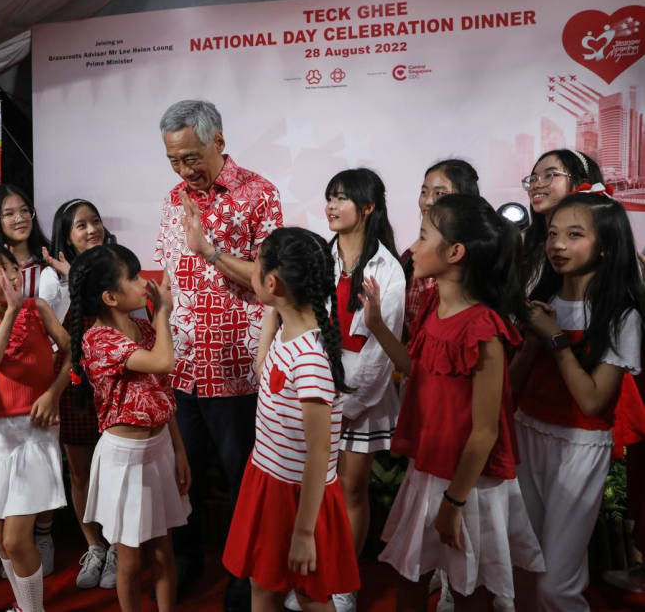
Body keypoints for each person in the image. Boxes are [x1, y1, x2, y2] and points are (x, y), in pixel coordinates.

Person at [363, 194, 544, 609]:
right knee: (410, 573)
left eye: (424, 235)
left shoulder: (482, 328)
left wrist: (454, 502)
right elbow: (419, 370)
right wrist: (376, 325)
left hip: (470, 482)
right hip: (430, 466)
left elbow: (485, 430)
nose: (413, 246)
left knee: (470, 586)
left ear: (455, 252)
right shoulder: (431, 303)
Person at [155, 99, 283, 608]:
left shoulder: (259, 194)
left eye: (191, 157)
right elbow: (167, 273)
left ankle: (240, 575)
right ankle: (185, 560)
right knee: (180, 476)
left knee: (239, 480)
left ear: (219, 143)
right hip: (180, 366)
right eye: (173, 160)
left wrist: (209, 250)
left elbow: (269, 282)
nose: (184, 170)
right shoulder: (171, 198)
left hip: (236, 371)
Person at [509, 188, 645, 611]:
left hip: (579, 446)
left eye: (574, 235)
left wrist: (553, 339)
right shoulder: (543, 300)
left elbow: (592, 401)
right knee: (522, 569)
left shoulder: (622, 316)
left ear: (605, 245)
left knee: (556, 586)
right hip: (526, 434)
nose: (558, 245)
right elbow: (512, 389)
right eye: (552, 234)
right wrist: (532, 342)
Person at [222, 227, 360, 612]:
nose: (250, 271)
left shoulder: (311, 360)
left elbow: (320, 455)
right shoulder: (288, 337)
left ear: (272, 282)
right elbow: (263, 364)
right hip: (268, 479)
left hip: (299, 496)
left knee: (311, 595)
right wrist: (273, 308)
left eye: (256, 266)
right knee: (262, 583)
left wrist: (303, 531)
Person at [69, 244, 191, 611]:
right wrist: (163, 314)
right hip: (125, 460)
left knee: (164, 552)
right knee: (130, 560)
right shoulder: (99, 340)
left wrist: (180, 451)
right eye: (134, 277)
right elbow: (164, 362)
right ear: (110, 297)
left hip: (159, 451)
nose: (144, 283)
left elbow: (162, 392)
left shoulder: (142, 327)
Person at [0, 245, 69, 612]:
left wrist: (53, 393)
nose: (11, 274)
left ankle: (33, 610)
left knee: (19, 540)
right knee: (2, 540)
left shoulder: (37, 309)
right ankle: (24, 607)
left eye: (12, 267)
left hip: (35, 432)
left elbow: (72, 352)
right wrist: (9, 314)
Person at [318, 169, 404, 612]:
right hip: (316, 392)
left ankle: (344, 583)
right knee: (317, 490)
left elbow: (379, 352)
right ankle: (318, 576)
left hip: (360, 402)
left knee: (351, 490)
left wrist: (347, 405)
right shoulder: (320, 256)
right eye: (329, 197)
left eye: (342, 199)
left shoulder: (388, 269)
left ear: (368, 207)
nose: (331, 206)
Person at [0, 184, 56, 573]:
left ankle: (44, 533)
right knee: (1, 523)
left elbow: (69, 339)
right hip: (2, 413)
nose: (21, 217)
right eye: (9, 213)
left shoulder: (50, 264)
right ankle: (22, 593)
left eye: (25, 209)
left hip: (47, 388)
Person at [40, 198, 119, 589]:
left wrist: (80, 275)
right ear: (67, 238)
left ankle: (119, 545)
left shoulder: (120, 266)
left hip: (116, 383)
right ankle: (95, 546)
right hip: (73, 384)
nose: (92, 230)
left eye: (95, 221)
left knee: (118, 470)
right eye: (80, 226)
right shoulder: (52, 279)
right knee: (80, 469)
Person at [401, 160, 479, 337]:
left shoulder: (476, 261)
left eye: (439, 193)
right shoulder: (408, 258)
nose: (428, 201)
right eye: (424, 192)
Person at [518, 149, 602, 291]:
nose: (536, 185)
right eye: (533, 178)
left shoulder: (602, 240)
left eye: (550, 175)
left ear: (581, 183)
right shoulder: (522, 240)